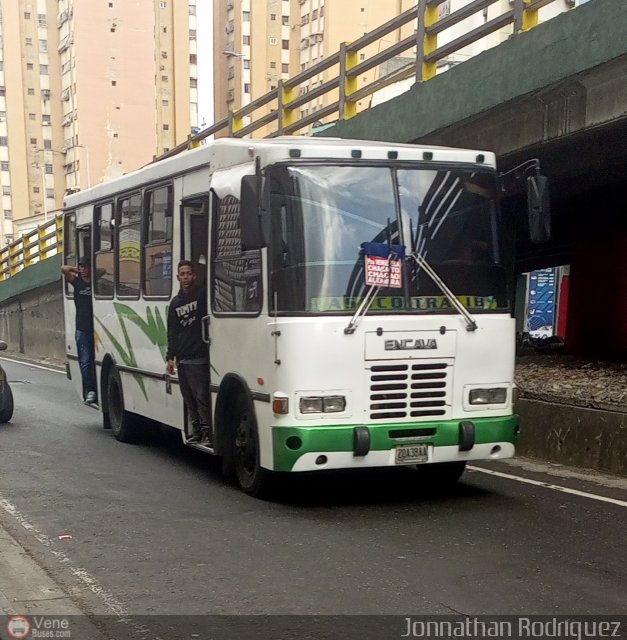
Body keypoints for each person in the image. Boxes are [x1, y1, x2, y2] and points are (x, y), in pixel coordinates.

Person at [166, 260, 211, 446]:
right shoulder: (175, 303)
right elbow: (172, 331)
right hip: (182, 359)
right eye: (182, 274)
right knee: (189, 399)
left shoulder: (202, 295)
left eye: (188, 273)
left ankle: (208, 433)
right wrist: (170, 357)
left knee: (202, 398)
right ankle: (196, 432)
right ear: (177, 277)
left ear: (194, 276)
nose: (185, 277)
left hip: (199, 356)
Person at [61, 259, 97, 404]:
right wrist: (77, 270)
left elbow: (104, 271)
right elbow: (64, 269)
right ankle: (90, 390)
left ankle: (96, 389)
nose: (84, 270)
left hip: (96, 328)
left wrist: (91, 271)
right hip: (82, 328)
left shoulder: (95, 282)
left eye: (86, 267)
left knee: (95, 360)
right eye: (82, 267)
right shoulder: (77, 282)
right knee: (85, 361)